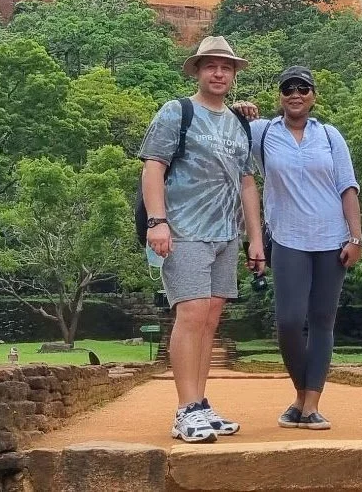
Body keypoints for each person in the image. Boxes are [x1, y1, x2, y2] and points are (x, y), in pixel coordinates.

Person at [139, 36, 265, 443]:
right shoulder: (178, 112)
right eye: (210, 65)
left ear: (234, 74)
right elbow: (153, 167)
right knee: (190, 314)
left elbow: (248, 184)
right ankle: (185, 409)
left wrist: (255, 240)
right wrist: (157, 222)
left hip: (226, 234)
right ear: (197, 70)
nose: (218, 72)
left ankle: (200, 404)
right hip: (184, 230)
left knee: (210, 320)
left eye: (225, 67)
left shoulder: (239, 123)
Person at [244, 66, 362, 430]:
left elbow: (348, 186)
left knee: (323, 321)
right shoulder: (263, 133)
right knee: (290, 322)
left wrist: (355, 237)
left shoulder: (329, 135)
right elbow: (228, 141)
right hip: (288, 238)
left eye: (303, 88)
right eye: (288, 88)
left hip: (331, 239)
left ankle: (309, 404)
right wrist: (238, 108)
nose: (295, 94)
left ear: (313, 95)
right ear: (279, 96)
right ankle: (301, 395)